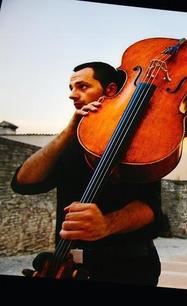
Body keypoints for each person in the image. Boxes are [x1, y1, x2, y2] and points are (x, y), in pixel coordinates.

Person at [10, 62, 163, 286]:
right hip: (71, 267)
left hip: (129, 268)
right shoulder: (72, 140)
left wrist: (107, 224)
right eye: (71, 88)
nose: (72, 95)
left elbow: (151, 207)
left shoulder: (139, 141)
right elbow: (23, 183)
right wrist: (69, 130)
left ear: (110, 90)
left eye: (82, 86)